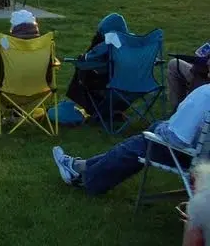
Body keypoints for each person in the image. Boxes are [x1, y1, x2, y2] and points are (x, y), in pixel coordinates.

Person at [52, 83, 210, 196]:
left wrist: (158, 128)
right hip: (205, 157)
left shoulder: (205, 94)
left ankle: (85, 178)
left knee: (139, 146)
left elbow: (178, 139)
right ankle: (80, 166)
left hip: (196, 161)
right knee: (146, 139)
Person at [0, 9, 46, 112]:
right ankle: (17, 113)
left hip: (8, 90)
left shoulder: (5, 43)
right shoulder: (43, 44)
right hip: (38, 89)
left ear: (14, 26)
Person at [64, 13, 130, 113]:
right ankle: (112, 111)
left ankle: (95, 110)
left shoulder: (105, 45)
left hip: (109, 85)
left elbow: (89, 58)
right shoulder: (133, 45)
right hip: (132, 88)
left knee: (82, 70)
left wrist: (82, 59)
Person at [168, 44, 210, 113]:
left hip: (204, 82)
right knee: (174, 64)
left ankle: (181, 110)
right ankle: (177, 108)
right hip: (199, 73)